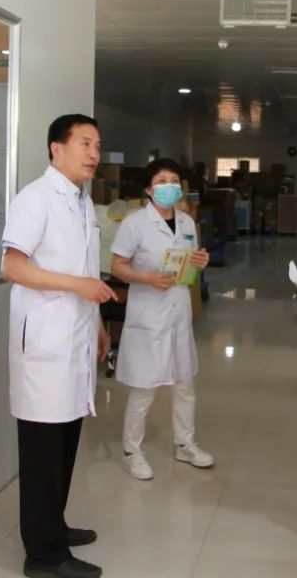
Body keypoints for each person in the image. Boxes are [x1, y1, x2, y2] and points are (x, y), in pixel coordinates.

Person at [1, 114, 114, 578]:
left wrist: (99, 325)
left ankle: (54, 526)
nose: (94, 153)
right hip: (45, 346)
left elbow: (86, 272)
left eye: (97, 145)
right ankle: (43, 555)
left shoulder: (82, 202)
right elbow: (12, 266)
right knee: (43, 453)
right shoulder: (35, 198)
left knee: (66, 443)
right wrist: (77, 287)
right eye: (85, 143)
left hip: (76, 337)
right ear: (56, 148)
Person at [109, 158, 212, 480]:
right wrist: (147, 278)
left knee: (185, 383)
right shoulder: (135, 223)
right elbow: (117, 266)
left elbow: (188, 266)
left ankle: (185, 444)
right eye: (162, 181)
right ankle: (131, 451)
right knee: (145, 387)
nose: (170, 186)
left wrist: (199, 261)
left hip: (178, 311)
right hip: (149, 313)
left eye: (174, 181)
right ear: (149, 189)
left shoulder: (186, 222)